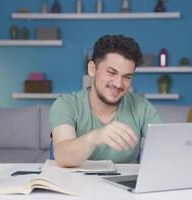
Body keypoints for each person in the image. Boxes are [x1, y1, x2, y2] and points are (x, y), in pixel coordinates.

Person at [49, 35, 162, 167]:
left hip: (124, 186)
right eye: (111, 72)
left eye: (127, 77)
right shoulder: (66, 104)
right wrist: (96, 137)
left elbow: (165, 147)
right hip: (76, 185)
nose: (119, 84)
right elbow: (63, 157)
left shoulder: (141, 106)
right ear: (92, 69)